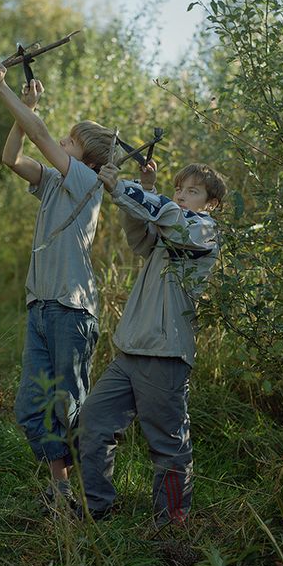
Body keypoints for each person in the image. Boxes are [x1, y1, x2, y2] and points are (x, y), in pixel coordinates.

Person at [0, 61, 118, 509]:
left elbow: (39, 134)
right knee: (33, 405)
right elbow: (12, 159)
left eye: (70, 142)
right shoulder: (55, 182)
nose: (61, 141)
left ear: (87, 160)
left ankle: (90, 495)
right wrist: (26, 108)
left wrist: (4, 91)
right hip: (41, 306)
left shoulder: (85, 182)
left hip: (72, 310)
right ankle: (61, 491)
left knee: (68, 407)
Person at [78, 158, 227, 529]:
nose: (182, 196)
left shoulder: (203, 231)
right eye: (179, 189)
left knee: (168, 445)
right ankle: (97, 507)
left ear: (211, 203)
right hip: (131, 350)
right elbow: (139, 235)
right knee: (93, 420)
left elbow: (170, 216)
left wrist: (124, 188)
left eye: (193, 191)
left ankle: (171, 524)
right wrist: (144, 190)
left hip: (165, 354)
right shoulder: (169, 229)